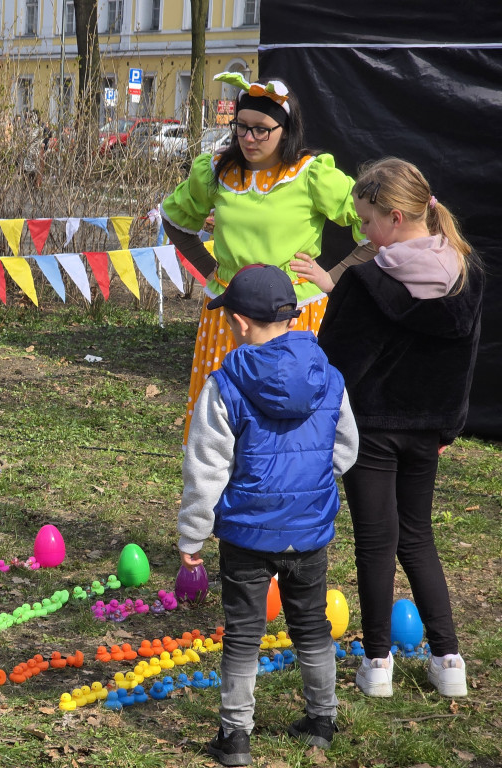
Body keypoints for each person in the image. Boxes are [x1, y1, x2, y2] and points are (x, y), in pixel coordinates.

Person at [177, 264, 358, 766]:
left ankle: (235, 737)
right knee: (312, 625)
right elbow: (347, 449)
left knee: (243, 633)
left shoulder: (225, 384)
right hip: (308, 529)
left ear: (238, 322)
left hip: (247, 533)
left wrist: (191, 536)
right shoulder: (329, 374)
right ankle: (323, 719)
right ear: (291, 315)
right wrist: (310, 483)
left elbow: (205, 469)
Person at [318, 158, 482, 698]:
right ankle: (449, 662)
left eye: (365, 223)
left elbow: (338, 363)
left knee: (375, 543)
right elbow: (463, 365)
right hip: (427, 431)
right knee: (417, 539)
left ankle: (378, 666)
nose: (362, 234)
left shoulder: (367, 282)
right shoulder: (464, 273)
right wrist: (446, 425)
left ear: (393, 216)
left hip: (372, 428)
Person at [158, 72, 363, 446]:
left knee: (288, 425)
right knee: (223, 424)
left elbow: (371, 219)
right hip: (228, 316)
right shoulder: (217, 171)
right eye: (242, 127)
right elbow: (175, 220)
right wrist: (210, 271)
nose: (249, 138)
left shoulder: (310, 174)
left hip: (295, 318)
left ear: (286, 129)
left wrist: (334, 277)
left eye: (262, 130)